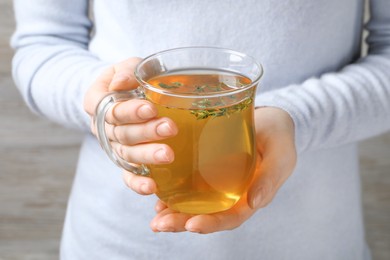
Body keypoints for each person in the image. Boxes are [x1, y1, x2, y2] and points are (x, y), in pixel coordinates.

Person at [11, 0, 389, 259]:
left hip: (312, 243)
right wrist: (107, 107)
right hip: (117, 243)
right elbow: (44, 44)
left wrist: (296, 116)